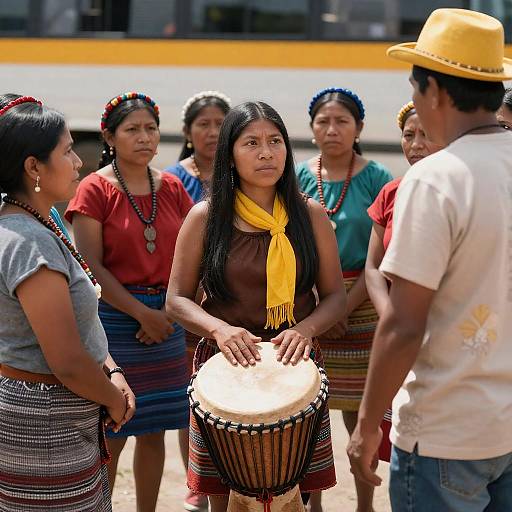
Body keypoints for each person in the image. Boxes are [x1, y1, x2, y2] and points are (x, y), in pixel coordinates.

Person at [348, 8, 512, 511]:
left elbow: (402, 324)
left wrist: (364, 425)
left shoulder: (435, 177)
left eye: (416, 87)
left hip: (443, 434)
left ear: (435, 92)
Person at [166, 101, 345, 512]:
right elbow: (176, 300)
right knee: (223, 499)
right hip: (226, 371)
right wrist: (219, 330)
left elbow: (335, 296)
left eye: (275, 141)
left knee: (301, 496)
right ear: (229, 154)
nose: (266, 152)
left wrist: (305, 330)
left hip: (296, 368)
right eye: (252, 143)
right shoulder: (205, 217)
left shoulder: (310, 215)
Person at [0, 93, 135, 511]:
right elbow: (67, 360)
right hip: (44, 426)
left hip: (63, 414)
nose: (79, 162)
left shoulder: (41, 221)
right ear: (33, 167)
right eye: (68, 151)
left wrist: (112, 369)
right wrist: (113, 398)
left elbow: (81, 331)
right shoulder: (29, 242)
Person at [65, 92, 194, 512]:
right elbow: (92, 266)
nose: (144, 137)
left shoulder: (173, 187)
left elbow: (194, 253)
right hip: (114, 320)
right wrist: (142, 313)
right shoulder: (94, 188)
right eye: (132, 129)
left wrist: (168, 312)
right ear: (109, 136)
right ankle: (101, 505)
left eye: (151, 128)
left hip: (168, 318)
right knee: (114, 425)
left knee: (154, 429)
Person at [296, 87, 392, 512]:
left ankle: (365, 503)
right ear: (312, 127)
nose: (332, 130)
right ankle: (312, 504)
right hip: (307, 306)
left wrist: (342, 306)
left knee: (359, 413)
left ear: (359, 128)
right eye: (323, 121)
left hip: (364, 306)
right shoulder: (295, 177)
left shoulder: (378, 180)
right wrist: (320, 305)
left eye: (342, 122)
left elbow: (383, 255)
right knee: (308, 416)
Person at [365, 101, 442, 463]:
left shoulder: (454, 191)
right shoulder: (391, 193)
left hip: (443, 331)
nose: (415, 144)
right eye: (408, 135)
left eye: (425, 135)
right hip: (401, 331)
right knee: (400, 440)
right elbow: (373, 266)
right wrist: (390, 313)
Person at [165, 90, 230, 512]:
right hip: (190, 305)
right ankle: (198, 484)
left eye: (219, 123)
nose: (211, 132)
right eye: (202, 124)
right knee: (192, 394)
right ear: (188, 131)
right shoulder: (174, 179)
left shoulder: (240, 179)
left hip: (224, 305)